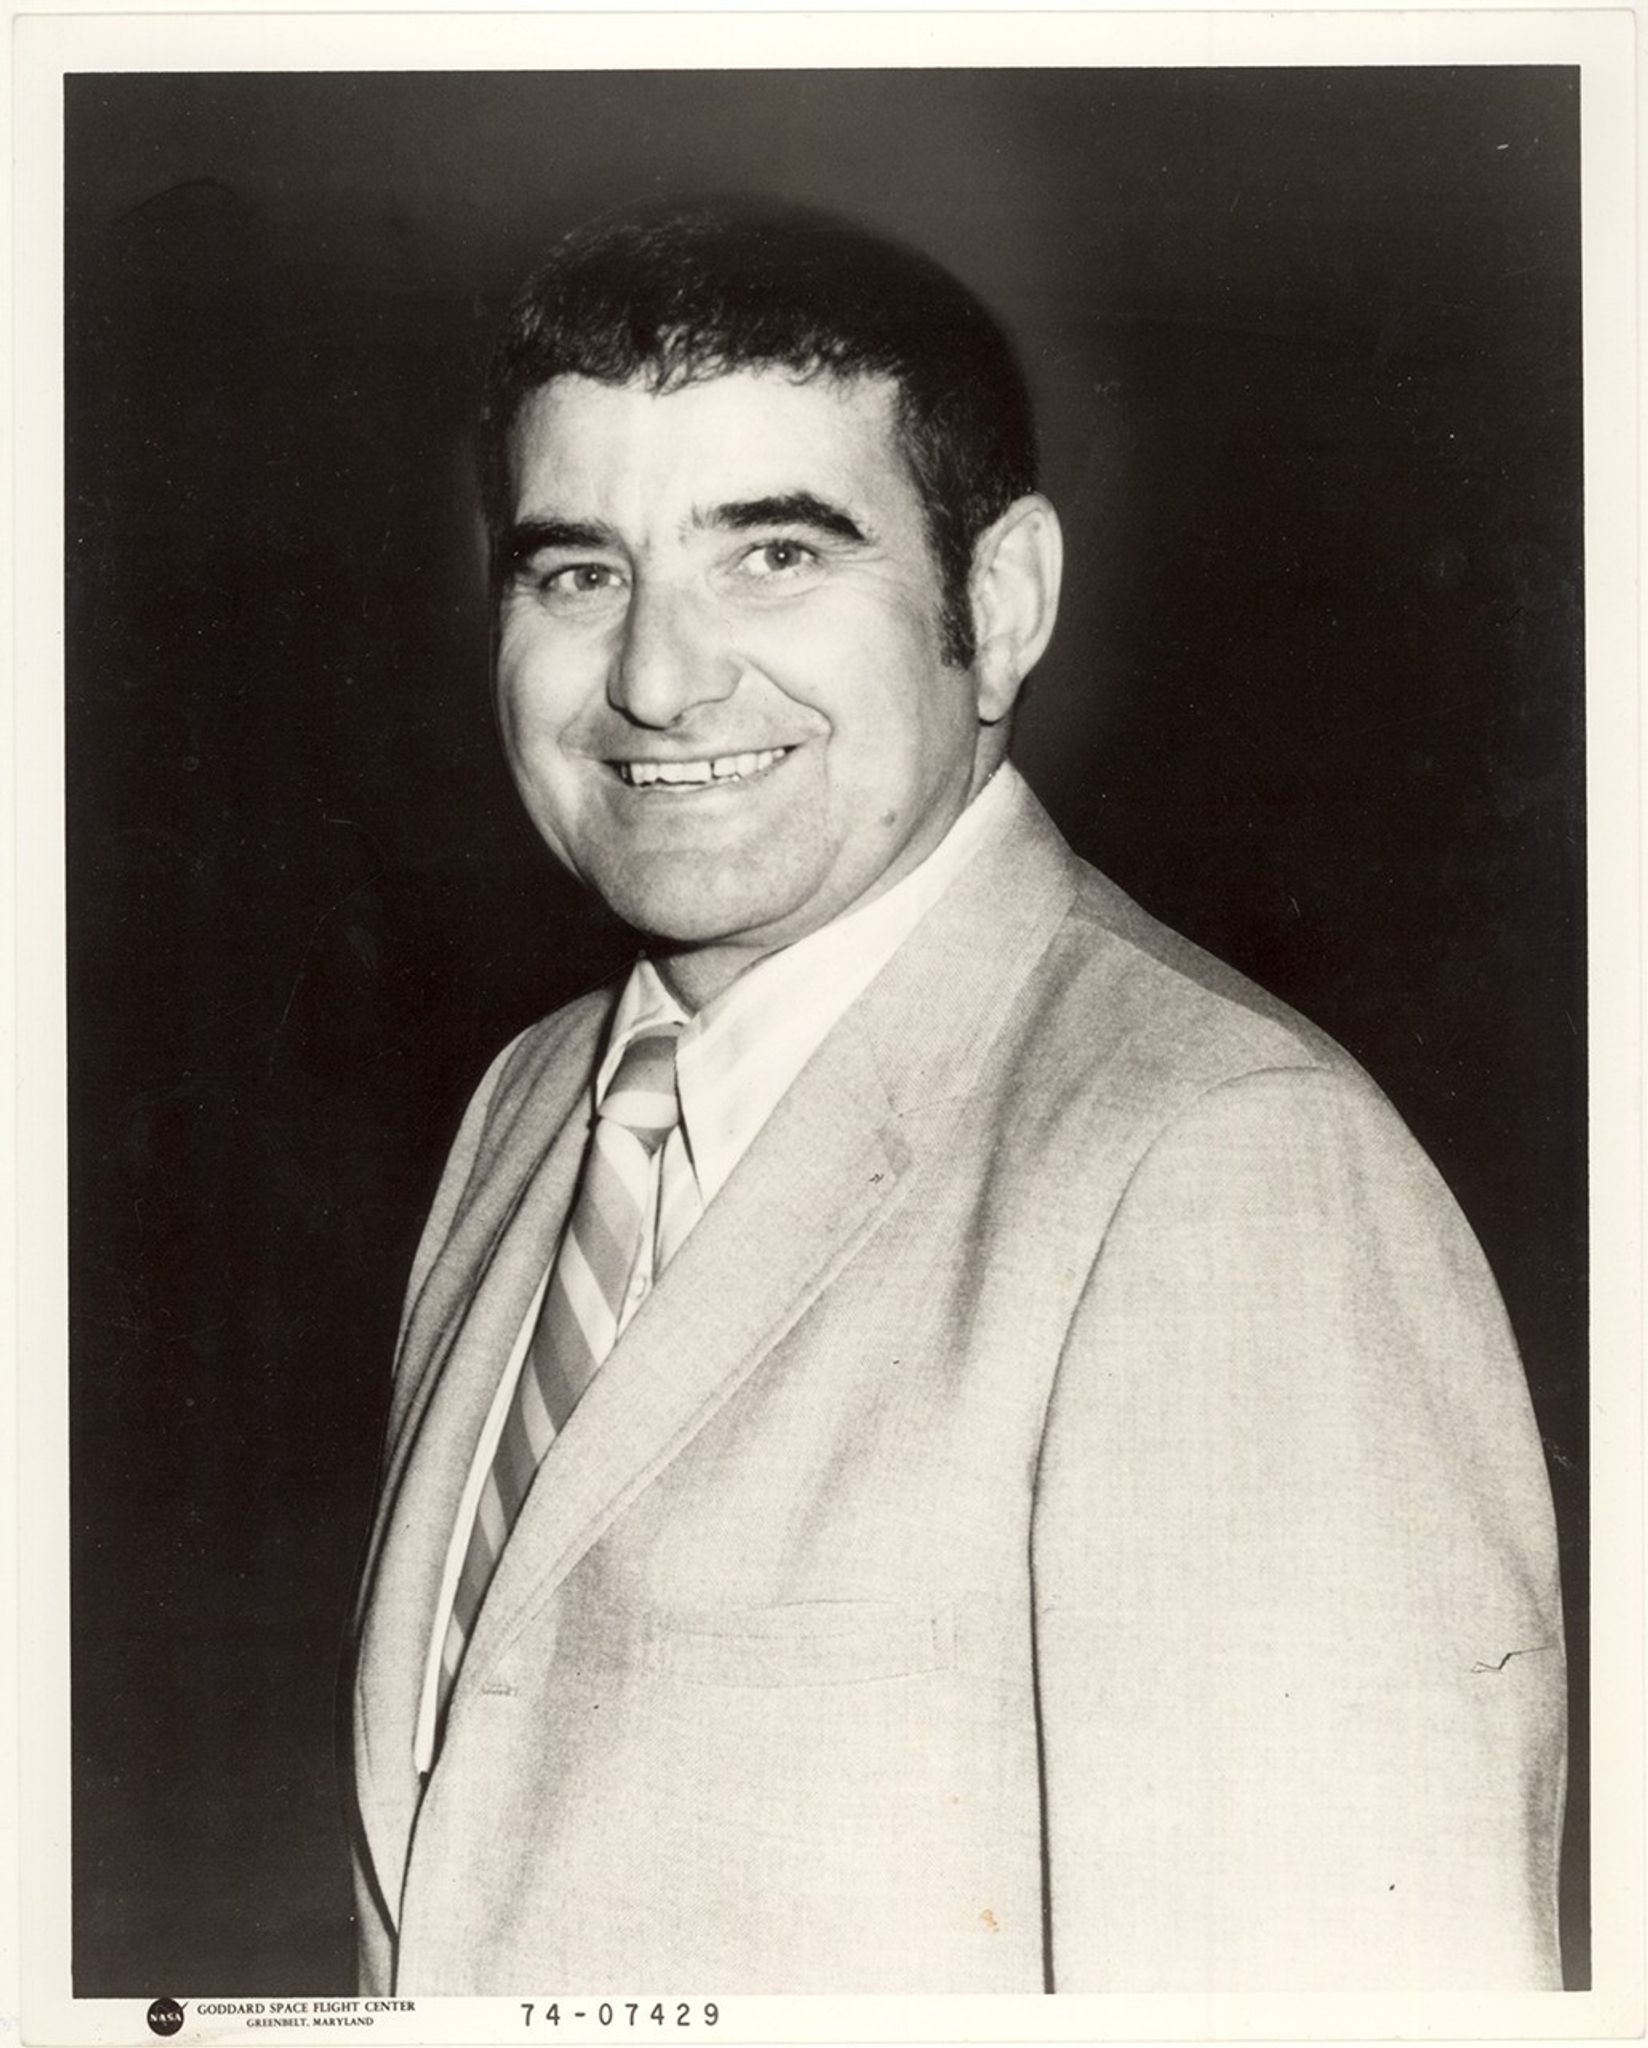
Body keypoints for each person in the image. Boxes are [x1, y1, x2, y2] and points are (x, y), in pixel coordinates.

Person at [347, 196, 1567, 1995]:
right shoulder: (533, 1109)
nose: (658, 679)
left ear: (997, 609)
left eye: (774, 555)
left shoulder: (1224, 1167)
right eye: (578, 571)